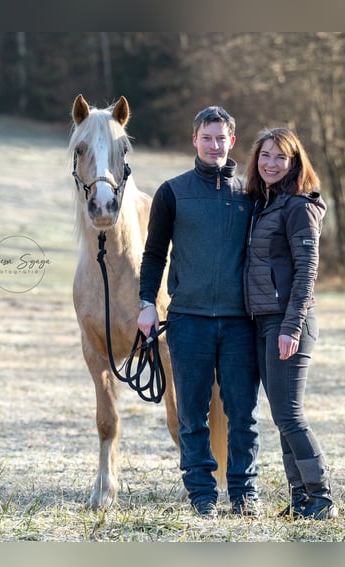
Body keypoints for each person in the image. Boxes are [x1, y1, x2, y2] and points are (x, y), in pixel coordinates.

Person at [137, 106, 260, 518]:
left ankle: (244, 493)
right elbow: (154, 255)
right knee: (192, 415)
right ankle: (202, 494)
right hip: (187, 322)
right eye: (206, 138)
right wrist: (145, 304)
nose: (213, 145)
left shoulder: (252, 195)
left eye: (220, 138)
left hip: (240, 324)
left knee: (243, 414)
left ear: (232, 142)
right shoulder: (172, 192)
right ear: (194, 140)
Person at [243, 127, 336, 519]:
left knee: (290, 415)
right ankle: (299, 498)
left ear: (294, 162)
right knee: (281, 415)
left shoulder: (298, 206)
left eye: (281, 157)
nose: (271, 163)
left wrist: (291, 327)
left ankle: (322, 498)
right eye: (265, 155)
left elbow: (306, 271)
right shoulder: (265, 204)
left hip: (288, 323)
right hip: (264, 321)